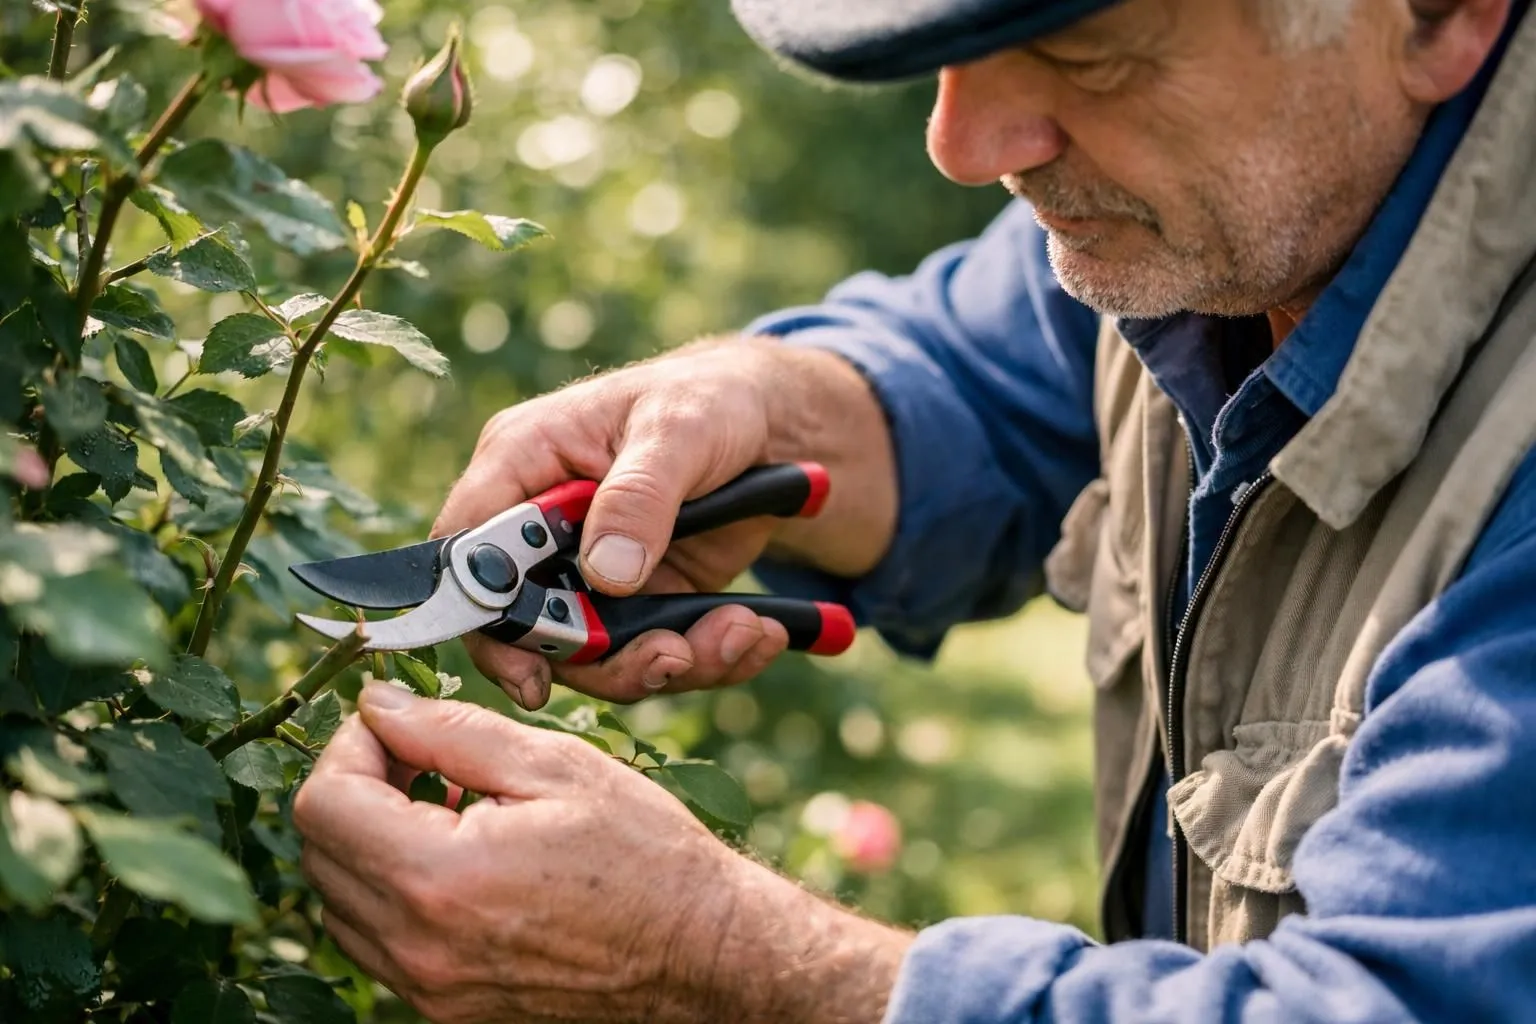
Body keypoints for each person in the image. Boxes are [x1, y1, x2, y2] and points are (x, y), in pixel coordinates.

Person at [291, 0, 1536, 1019]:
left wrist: (724, 957)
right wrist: (766, 405)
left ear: (1435, 15)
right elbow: (989, 378)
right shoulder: (1248, 207)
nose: (963, 140)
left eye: (1080, 51)